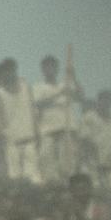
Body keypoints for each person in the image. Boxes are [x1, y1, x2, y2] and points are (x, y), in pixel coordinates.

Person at [33, 55, 81, 183]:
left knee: (67, 161)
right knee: (46, 158)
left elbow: (80, 97)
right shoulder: (39, 87)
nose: (50, 70)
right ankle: (50, 184)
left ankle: (67, 183)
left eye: (52, 67)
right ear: (43, 69)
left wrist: (73, 77)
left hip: (66, 126)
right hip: (47, 128)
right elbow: (37, 103)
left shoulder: (66, 85)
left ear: (57, 68)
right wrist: (59, 93)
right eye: (47, 67)